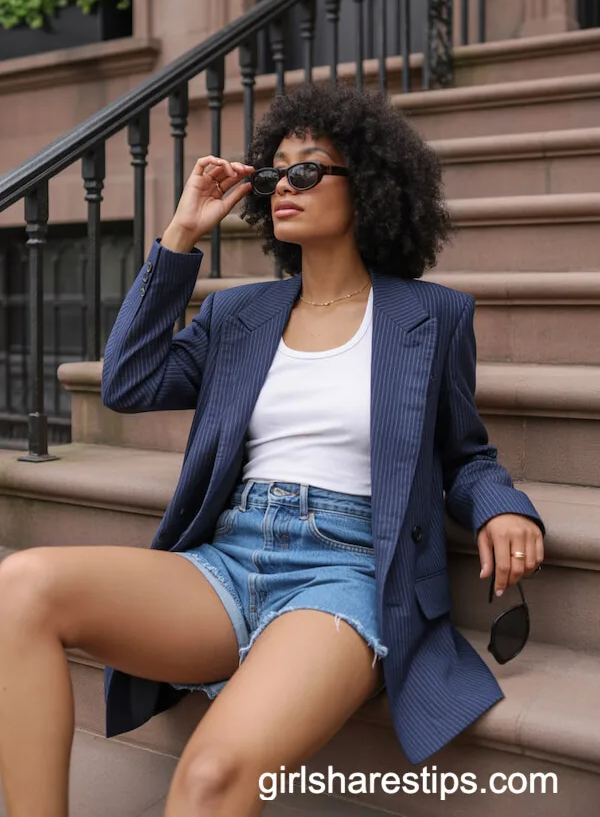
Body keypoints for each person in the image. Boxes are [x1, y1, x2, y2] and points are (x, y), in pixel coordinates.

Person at [0, 82, 545, 816]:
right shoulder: (239, 313)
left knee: (209, 778)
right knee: (20, 585)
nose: (284, 185)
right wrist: (180, 237)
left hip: (346, 572)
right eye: (276, 171)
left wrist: (503, 509)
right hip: (225, 562)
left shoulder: (430, 316)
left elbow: (463, 452)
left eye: (309, 169)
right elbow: (129, 383)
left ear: (372, 187)